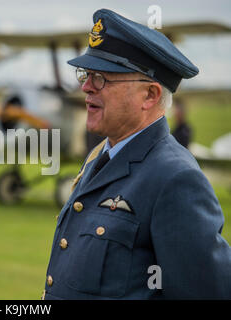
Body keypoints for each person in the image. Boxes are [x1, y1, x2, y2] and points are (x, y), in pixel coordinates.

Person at [43, 9, 231, 299]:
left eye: (102, 78)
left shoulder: (175, 179)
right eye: (86, 74)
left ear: (150, 96)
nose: (86, 87)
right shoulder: (99, 156)